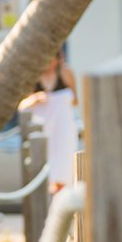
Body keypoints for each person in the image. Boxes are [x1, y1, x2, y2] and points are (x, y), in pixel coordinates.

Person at [25, 51, 79, 192]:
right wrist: (36, 99)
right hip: (43, 132)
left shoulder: (66, 73)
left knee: (65, 168)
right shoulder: (33, 77)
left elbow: (75, 100)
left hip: (64, 130)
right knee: (45, 170)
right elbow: (22, 105)